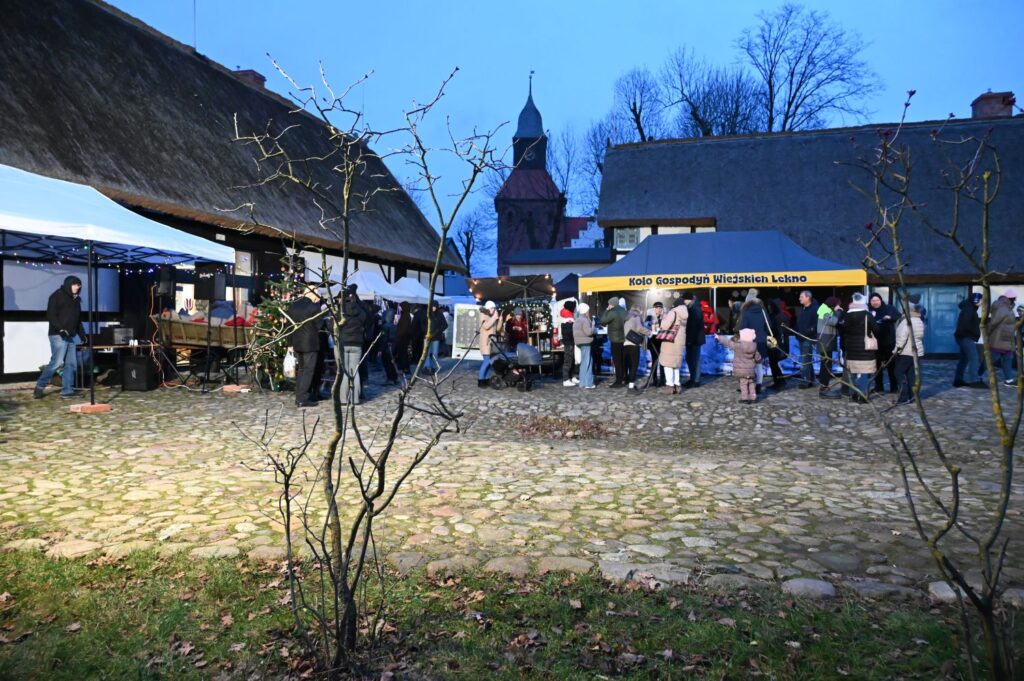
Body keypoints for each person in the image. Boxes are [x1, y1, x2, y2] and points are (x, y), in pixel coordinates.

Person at [33, 275, 84, 400]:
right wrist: (61, 329)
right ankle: (40, 386)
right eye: (75, 285)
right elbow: (51, 315)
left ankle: (67, 391)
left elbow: (77, 319)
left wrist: (82, 335)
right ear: (68, 284)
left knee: (71, 364)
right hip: (57, 335)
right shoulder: (56, 296)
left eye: (78, 285)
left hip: (71, 336)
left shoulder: (76, 300)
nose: (77, 287)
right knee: (56, 363)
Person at [286, 287, 323, 407]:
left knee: (301, 370)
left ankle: (299, 395)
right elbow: (319, 325)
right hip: (310, 343)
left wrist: (289, 344)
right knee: (308, 371)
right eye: (316, 293)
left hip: (297, 342)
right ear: (312, 294)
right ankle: (302, 398)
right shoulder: (313, 307)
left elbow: (289, 327)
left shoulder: (293, 306)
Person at [840, 292, 879, 403]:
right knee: (864, 372)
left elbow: (842, 331)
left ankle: (853, 394)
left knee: (852, 371)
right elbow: (876, 329)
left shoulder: (847, 315)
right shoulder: (868, 314)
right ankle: (863, 396)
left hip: (851, 347)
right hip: (865, 348)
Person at [893, 301, 926, 405]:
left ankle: (903, 396)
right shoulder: (919, 320)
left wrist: (896, 350)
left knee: (898, 372)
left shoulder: (907, 321)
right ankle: (913, 396)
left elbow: (902, 337)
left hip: (906, 351)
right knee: (911, 374)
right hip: (916, 351)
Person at [717, 328, 761, 404]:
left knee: (743, 383)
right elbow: (758, 358)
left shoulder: (738, 346)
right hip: (751, 371)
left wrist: (719, 337)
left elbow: (728, 342)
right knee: (751, 383)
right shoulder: (754, 347)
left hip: (741, 371)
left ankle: (745, 398)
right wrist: (759, 360)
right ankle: (753, 397)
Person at [339, 285, 367, 404]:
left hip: (344, 343)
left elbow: (332, 325)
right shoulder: (361, 311)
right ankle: (355, 399)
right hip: (357, 344)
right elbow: (367, 322)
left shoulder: (341, 311)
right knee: (354, 372)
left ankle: (343, 399)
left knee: (345, 372)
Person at [869, 293, 900, 393]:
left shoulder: (888, 308)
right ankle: (879, 387)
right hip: (874, 342)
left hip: (888, 341)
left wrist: (889, 318)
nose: (875, 302)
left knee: (891, 365)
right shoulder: (869, 310)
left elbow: (898, 316)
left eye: (877, 300)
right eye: (873, 301)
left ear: (881, 300)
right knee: (877, 366)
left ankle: (894, 387)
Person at [738, 294, 769, 394]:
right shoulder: (763, 312)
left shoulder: (746, 312)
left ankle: (747, 386)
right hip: (762, 341)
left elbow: (743, 328)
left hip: (750, 342)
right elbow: (769, 325)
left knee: (748, 365)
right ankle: (759, 385)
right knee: (759, 364)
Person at [953, 292, 984, 388]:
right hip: (966, 337)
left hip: (963, 337)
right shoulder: (969, 310)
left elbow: (968, 322)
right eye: (981, 300)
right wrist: (973, 334)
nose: (982, 302)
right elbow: (966, 325)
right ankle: (974, 381)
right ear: (976, 300)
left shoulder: (969, 308)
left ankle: (958, 380)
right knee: (974, 358)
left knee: (964, 359)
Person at [658, 298, 688, 395]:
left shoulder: (673, 312)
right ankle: (677, 385)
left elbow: (665, 326)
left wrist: (663, 318)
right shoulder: (685, 313)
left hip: (671, 342)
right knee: (675, 364)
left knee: (668, 364)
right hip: (680, 341)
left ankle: (670, 386)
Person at [989, 289, 1019, 386]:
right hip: (1000, 339)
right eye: (1014, 298)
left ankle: (1009, 380)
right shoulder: (1003, 308)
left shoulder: (1007, 308)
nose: (1015, 300)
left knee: (1008, 359)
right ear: (1011, 298)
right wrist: (987, 334)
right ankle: (977, 375)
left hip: (1007, 339)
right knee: (992, 358)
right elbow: (993, 322)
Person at [816, 296, 844, 399]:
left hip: (826, 340)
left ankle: (824, 387)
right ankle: (824, 389)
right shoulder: (825, 310)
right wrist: (838, 312)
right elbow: (833, 322)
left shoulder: (825, 309)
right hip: (825, 341)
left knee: (826, 365)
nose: (839, 306)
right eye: (837, 304)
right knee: (826, 366)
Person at [599, 296, 628, 387]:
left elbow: (603, 321)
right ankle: (625, 377)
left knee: (617, 360)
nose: (608, 305)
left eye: (609, 304)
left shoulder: (612, 312)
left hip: (615, 339)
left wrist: (607, 310)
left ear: (612, 304)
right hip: (624, 338)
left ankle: (618, 381)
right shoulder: (624, 311)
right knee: (623, 359)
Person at [623, 304, 652, 391]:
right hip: (634, 344)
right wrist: (649, 333)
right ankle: (631, 386)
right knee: (634, 366)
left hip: (625, 343)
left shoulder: (627, 317)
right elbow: (640, 328)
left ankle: (629, 383)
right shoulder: (636, 316)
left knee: (628, 365)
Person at [794, 290, 819, 388]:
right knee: (806, 359)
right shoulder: (803, 309)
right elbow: (799, 322)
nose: (799, 298)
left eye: (801, 296)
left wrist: (806, 332)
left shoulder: (814, 309)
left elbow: (815, 325)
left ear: (808, 298)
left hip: (808, 338)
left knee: (805, 360)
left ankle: (805, 381)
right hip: (801, 337)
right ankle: (811, 378)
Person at [682, 292, 705, 388]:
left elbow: (693, 326)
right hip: (692, 338)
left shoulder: (695, 309)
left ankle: (696, 380)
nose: (684, 301)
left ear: (690, 300)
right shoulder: (692, 308)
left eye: (685, 299)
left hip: (695, 339)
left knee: (694, 359)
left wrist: (690, 339)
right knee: (690, 358)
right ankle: (693, 378)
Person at [573, 303, 596, 389]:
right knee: (588, 363)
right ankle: (588, 383)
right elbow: (589, 332)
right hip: (586, 343)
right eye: (588, 310)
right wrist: (593, 326)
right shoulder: (585, 320)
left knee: (583, 363)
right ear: (586, 311)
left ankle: (582, 383)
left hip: (579, 343)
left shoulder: (577, 320)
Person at [477, 301, 500, 387]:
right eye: (492, 308)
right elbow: (486, 326)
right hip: (485, 342)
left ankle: (485, 379)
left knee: (489, 362)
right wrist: (494, 318)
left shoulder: (492, 316)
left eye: (494, 308)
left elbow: (497, 329)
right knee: (487, 361)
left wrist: (499, 320)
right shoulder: (483, 314)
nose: (493, 310)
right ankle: (480, 380)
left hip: (492, 342)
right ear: (488, 308)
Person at [424, 300, 448, 374]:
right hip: (427, 336)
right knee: (426, 353)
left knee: (435, 353)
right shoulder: (427, 314)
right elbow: (422, 324)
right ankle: (426, 367)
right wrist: (425, 332)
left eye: (434, 306)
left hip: (436, 337)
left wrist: (438, 331)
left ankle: (434, 367)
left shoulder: (440, 315)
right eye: (432, 306)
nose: (433, 308)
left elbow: (445, 325)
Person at [646, 302, 666, 387]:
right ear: (654, 308)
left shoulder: (665, 317)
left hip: (662, 342)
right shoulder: (649, 316)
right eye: (657, 308)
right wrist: (651, 325)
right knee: (654, 361)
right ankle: (654, 380)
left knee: (662, 362)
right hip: (653, 341)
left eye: (660, 308)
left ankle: (662, 380)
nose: (659, 309)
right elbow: (645, 326)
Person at [560, 300, 578, 387]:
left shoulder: (568, 318)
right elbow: (569, 333)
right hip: (569, 343)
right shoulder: (568, 320)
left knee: (572, 360)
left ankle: (572, 377)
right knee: (568, 360)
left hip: (570, 342)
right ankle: (566, 379)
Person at [394, 302, 412, 375]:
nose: (400, 308)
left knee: (403, 353)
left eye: (401, 306)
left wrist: (398, 336)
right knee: (402, 353)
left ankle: (405, 368)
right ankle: (403, 368)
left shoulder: (406, 316)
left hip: (403, 338)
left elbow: (404, 328)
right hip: (403, 337)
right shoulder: (404, 315)